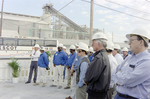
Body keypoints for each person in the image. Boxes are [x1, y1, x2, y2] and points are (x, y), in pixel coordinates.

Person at [114, 27, 150, 99]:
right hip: (118, 96)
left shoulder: (147, 61)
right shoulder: (129, 58)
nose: (129, 43)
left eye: (131, 40)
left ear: (141, 42)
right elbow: (115, 71)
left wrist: (119, 75)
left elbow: (128, 80)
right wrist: (120, 78)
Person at [83, 32, 111, 99]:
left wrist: (85, 80)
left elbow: (90, 76)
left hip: (96, 94)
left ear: (99, 44)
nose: (92, 45)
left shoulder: (99, 57)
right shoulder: (104, 55)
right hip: (100, 93)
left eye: (93, 43)